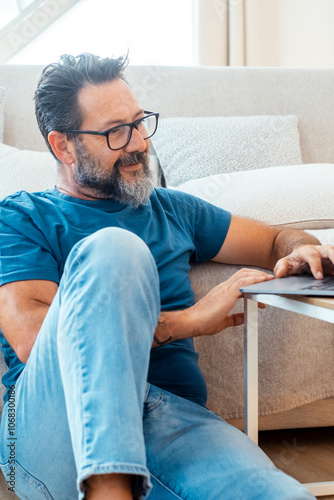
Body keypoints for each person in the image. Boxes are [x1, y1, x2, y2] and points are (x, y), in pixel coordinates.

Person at [0, 53, 331, 500]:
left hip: (174, 425)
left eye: (140, 123)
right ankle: (109, 487)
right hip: (56, 429)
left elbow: (275, 239)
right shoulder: (21, 217)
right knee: (114, 249)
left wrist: (302, 248)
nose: (139, 142)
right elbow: (34, 341)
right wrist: (186, 323)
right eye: (116, 131)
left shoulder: (173, 209)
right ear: (63, 146)